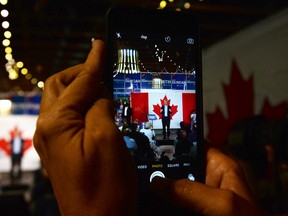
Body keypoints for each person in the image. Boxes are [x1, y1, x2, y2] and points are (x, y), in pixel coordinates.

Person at [33, 39, 265, 216]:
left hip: (164, 124)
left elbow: (171, 111)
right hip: (161, 124)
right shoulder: (153, 113)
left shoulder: (166, 112)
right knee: (164, 132)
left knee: (166, 133)